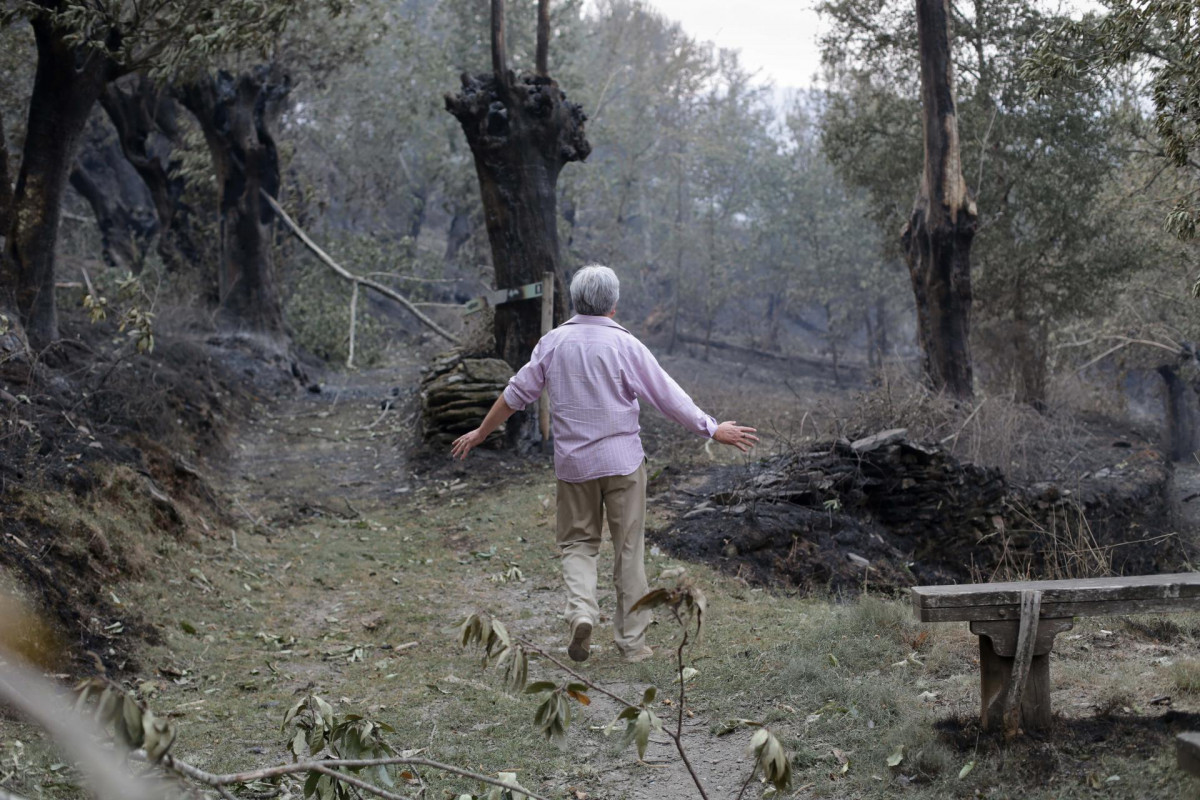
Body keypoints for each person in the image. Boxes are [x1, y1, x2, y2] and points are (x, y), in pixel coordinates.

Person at [450, 265, 758, 662]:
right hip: (623, 465)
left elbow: (516, 394)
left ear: (577, 301)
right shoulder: (625, 346)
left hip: (574, 466)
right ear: (613, 305)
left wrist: (480, 431)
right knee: (629, 551)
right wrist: (711, 428)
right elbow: (668, 395)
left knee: (578, 543)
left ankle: (581, 612)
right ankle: (632, 644)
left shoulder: (554, 342)